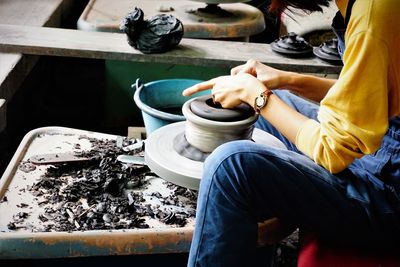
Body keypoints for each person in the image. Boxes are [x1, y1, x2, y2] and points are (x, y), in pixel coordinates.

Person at [182, 0, 400, 266]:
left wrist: (258, 96)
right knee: (271, 106)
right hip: (382, 144)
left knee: (229, 165)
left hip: (388, 195)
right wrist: (286, 80)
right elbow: (371, 94)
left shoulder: (374, 16)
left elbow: (332, 151)